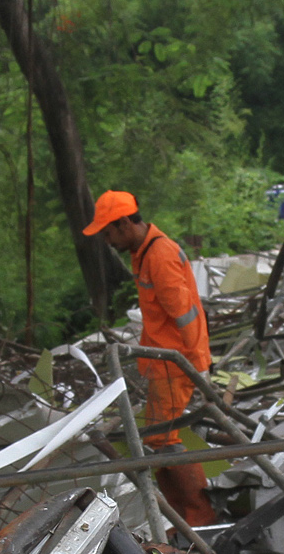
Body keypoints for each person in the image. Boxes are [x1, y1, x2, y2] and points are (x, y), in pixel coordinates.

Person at [86, 190, 215, 526]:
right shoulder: (144, 251)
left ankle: (199, 520)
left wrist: (198, 364)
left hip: (176, 363)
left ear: (125, 223)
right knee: (159, 439)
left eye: (109, 232)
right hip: (165, 362)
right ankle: (187, 521)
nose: (107, 240)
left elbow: (185, 314)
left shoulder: (159, 255)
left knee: (163, 439)